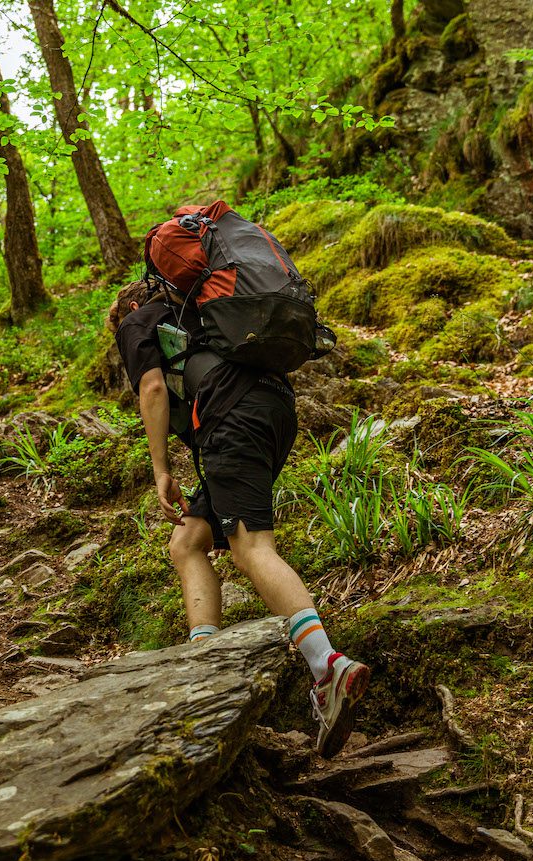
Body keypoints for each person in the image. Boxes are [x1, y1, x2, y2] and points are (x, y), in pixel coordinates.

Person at [110, 281, 370, 759]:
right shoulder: (204, 316)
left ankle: (327, 665)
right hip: (271, 412)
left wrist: (162, 470)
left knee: (251, 546)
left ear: (130, 305)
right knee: (189, 539)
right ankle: (204, 657)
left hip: (234, 419)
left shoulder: (138, 319)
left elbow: (151, 388)